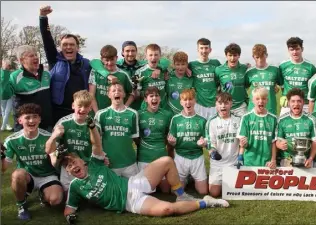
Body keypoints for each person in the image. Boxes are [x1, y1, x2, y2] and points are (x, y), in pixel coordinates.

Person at [61, 116, 228, 225]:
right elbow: (69, 208)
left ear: (82, 162)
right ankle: (206, 202)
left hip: (134, 183)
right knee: (167, 210)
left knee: (167, 161)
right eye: (68, 166)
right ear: (68, 172)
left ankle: (181, 195)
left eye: (74, 162)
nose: (73, 166)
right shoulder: (75, 186)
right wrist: (70, 217)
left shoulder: (94, 164)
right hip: (130, 203)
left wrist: (91, 127)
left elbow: (97, 144)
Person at [3, 103, 63, 220]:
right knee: (17, 175)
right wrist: (1, 156)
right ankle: (21, 205)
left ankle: (43, 194)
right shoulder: (12, 140)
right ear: (20, 120)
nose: (31, 120)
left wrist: (57, 155)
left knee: (55, 200)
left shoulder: (48, 137)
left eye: (35, 116)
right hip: (27, 176)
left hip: (47, 175)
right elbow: (4, 167)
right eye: (27, 117)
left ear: (39, 119)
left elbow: (54, 163)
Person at [39, 6, 92, 125]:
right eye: (65, 45)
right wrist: (43, 17)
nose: (68, 47)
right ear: (60, 47)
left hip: (80, 111)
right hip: (58, 111)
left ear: (77, 48)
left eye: (72, 45)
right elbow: (46, 39)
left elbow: (101, 65)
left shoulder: (87, 63)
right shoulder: (54, 59)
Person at [45, 90, 101, 191]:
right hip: (68, 166)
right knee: (68, 197)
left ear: (90, 108)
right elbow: (49, 150)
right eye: (79, 105)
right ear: (73, 106)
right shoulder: (63, 123)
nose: (82, 109)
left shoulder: (95, 125)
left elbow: (98, 148)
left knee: (90, 198)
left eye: (86, 106)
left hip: (86, 165)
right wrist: (54, 136)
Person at [1, 45, 54, 132]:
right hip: (25, 127)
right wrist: (5, 73)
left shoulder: (46, 74)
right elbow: (5, 95)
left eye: (36, 55)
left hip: (46, 125)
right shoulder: (15, 76)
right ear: (21, 60)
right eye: (31, 56)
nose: (35, 57)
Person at [167, 89, 208, 194]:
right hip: (181, 156)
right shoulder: (175, 119)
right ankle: (185, 177)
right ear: (181, 102)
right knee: (176, 192)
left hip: (197, 156)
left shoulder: (202, 120)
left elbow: (208, 141)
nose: (188, 102)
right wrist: (172, 142)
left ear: (195, 101)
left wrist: (205, 143)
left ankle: (191, 177)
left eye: (190, 99)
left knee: (203, 191)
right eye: (185, 100)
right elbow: (172, 140)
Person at [95, 83, 139, 178]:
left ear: (124, 94)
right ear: (109, 95)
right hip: (110, 164)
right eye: (113, 90)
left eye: (119, 90)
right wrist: (100, 156)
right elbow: (95, 140)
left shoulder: (133, 114)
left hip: (129, 163)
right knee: (112, 192)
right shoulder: (101, 114)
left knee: (135, 191)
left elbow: (136, 139)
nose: (117, 92)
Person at [137, 86, 173, 193]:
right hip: (144, 157)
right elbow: (136, 138)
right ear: (145, 99)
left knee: (166, 191)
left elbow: (168, 136)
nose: (154, 98)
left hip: (160, 154)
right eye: (151, 96)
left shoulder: (167, 115)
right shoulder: (139, 114)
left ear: (160, 98)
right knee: (144, 191)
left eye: (157, 95)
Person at [205, 92, 241, 197]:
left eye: (226, 103)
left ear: (231, 104)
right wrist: (212, 151)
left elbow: (242, 141)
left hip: (233, 162)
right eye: (220, 103)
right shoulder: (211, 121)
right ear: (216, 105)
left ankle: (228, 178)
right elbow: (211, 143)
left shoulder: (238, 119)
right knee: (214, 193)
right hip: (218, 163)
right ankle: (213, 178)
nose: (223, 106)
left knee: (232, 192)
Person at [276, 88, 316, 167]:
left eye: (299, 101)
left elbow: (315, 142)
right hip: (286, 160)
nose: (296, 104)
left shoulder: (311, 120)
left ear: (303, 102)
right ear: (288, 103)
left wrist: (310, 158)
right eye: (293, 101)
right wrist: (279, 145)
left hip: (306, 160)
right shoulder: (281, 120)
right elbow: (277, 141)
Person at [236, 86, 277, 169]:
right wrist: (240, 156)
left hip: (267, 163)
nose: (260, 101)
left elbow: (274, 142)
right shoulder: (246, 117)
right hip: (249, 162)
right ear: (253, 100)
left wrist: (273, 160)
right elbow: (242, 142)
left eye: (263, 98)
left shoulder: (273, 119)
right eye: (257, 99)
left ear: (267, 100)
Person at [89, 45, 134, 113]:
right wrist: (97, 113)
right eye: (106, 60)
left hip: (117, 115)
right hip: (98, 112)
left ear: (116, 58)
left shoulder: (124, 74)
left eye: (112, 59)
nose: (109, 63)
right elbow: (91, 94)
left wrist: (124, 108)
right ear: (102, 59)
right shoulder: (95, 72)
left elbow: (132, 93)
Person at [278, 37, 316, 115]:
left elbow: (314, 87)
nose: (295, 52)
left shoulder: (310, 67)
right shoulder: (282, 66)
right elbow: (281, 84)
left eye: (297, 49)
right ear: (288, 50)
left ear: (302, 49)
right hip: (287, 104)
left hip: (305, 104)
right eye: (291, 49)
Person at [189, 38, 222, 120]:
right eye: (201, 48)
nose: (204, 51)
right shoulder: (192, 64)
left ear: (210, 50)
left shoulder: (216, 63)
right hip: (199, 104)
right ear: (197, 49)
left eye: (206, 48)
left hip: (214, 103)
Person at [245, 44, 282, 115]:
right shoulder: (249, 72)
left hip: (270, 109)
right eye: (257, 57)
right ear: (253, 57)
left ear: (266, 55)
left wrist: (276, 88)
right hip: (253, 110)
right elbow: (244, 89)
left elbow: (283, 86)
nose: (260, 60)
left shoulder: (275, 70)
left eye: (262, 57)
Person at [215, 43, 249, 117]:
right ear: (226, 56)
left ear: (239, 55)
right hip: (225, 106)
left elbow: (248, 85)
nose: (232, 58)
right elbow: (215, 86)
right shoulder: (219, 70)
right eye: (230, 55)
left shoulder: (244, 69)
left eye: (235, 55)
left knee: (242, 128)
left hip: (241, 107)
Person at [136, 44, 168, 110]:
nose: (153, 57)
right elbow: (137, 94)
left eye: (156, 55)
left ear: (160, 56)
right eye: (150, 55)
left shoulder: (164, 70)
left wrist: (160, 68)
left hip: (163, 108)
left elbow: (167, 62)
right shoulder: (139, 72)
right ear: (146, 56)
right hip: (147, 109)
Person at [1, 59, 14, 131]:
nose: (8, 66)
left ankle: (3, 126)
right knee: (3, 111)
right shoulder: (2, 73)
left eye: (9, 65)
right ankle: (7, 125)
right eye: (7, 65)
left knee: (7, 111)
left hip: (10, 94)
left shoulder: (11, 73)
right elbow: (3, 81)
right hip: (1, 95)